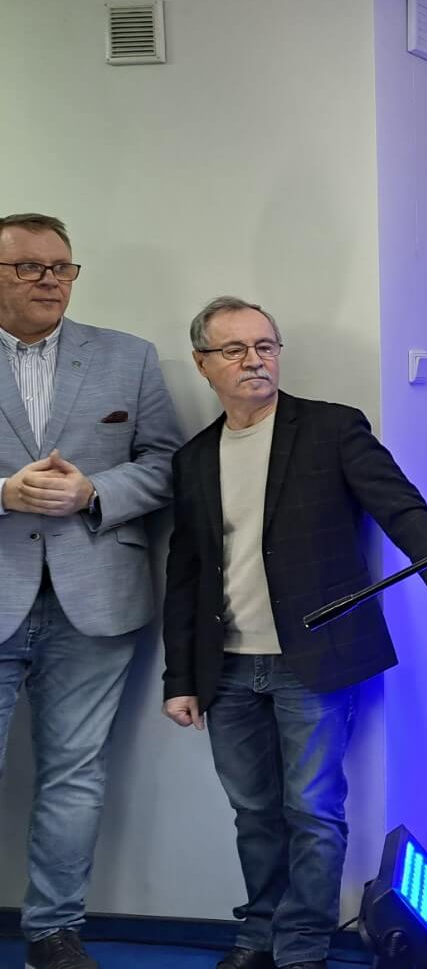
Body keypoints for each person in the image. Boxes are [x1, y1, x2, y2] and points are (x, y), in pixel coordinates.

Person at [162, 297, 427, 969]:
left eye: (266, 346)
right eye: (234, 349)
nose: (255, 360)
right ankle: (257, 936)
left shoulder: (331, 429)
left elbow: (406, 513)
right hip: (225, 668)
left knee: (313, 810)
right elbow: (186, 572)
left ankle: (301, 948)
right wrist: (180, 677)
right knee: (254, 814)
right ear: (203, 363)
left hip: (312, 659)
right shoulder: (194, 458)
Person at [0, 212, 182, 969]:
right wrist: (3, 492)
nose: (50, 281)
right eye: (29, 267)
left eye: (62, 267)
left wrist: (94, 491)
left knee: (74, 776)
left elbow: (168, 463)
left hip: (96, 602)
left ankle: (53, 932)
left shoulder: (127, 357)